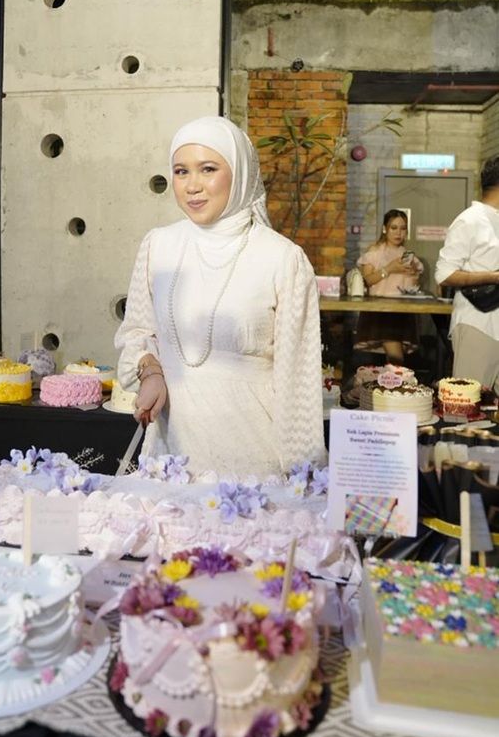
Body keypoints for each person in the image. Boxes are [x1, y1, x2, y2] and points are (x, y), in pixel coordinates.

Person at [114, 115, 325, 478]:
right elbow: (137, 331)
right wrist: (151, 374)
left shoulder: (283, 258)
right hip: (172, 451)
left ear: (240, 173)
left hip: (252, 454)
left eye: (208, 169)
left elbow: (298, 380)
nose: (192, 186)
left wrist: (303, 475)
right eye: (181, 171)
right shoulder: (158, 246)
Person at [435, 156, 499, 392]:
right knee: (467, 404)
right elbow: (444, 273)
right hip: (477, 325)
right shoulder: (470, 221)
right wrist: (493, 277)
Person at [354, 209, 423, 364]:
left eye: (403, 228)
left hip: (402, 309)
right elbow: (367, 280)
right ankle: (395, 385)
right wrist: (389, 269)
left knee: (395, 360)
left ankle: (391, 385)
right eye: (394, 228)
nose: (398, 233)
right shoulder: (375, 252)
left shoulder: (408, 255)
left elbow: (412, 287)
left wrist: (413, 276)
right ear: (385, 229)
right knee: (396, 359)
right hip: (381, 309)